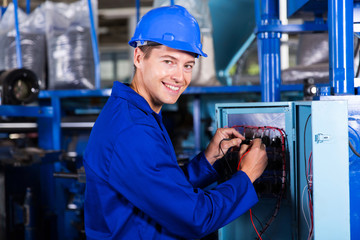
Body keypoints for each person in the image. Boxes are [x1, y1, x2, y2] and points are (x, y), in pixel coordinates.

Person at [83, 5, 268, 240]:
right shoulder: (132, 131)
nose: (179, 77)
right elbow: (195, 217)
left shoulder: (136, 114)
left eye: (187, 65)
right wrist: (247, 176)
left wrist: (209, 159)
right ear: (139, 57)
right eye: (168, 61)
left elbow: (162, 189)